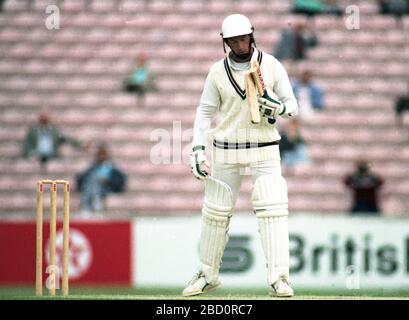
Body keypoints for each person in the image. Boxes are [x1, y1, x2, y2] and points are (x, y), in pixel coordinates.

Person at [184, 14, 298, 298]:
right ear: (225, 42)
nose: (239, 44)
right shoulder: (216, 71)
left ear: (252, 36)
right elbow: (204, 111)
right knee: (215, 212)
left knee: (272, 209)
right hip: (226, 148)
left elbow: (292, 105)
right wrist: (197, 148)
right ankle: (207, 274)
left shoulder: (271, 65)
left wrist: (278, 108)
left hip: (264, 147)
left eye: (243, 38)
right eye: (232, 40)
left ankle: (279, 278)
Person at [22, 113, 86, 172]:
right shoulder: (33, 132)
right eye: (42, 119)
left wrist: (80, 145)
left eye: (46, 119)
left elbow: (66, 139)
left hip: (52, 154)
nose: (44, 121)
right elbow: (27, 143)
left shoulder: (54, 131)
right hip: (37, 154)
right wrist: (28, 154)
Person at [76, 144, 126, 213]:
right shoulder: (92, 169)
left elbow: (119, 184)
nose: (101, 157)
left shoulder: (112, 170)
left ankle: (92, 202)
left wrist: (107, 180)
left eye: (103, 154)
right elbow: (80, 181)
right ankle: (92, 201)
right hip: (92, 191)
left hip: (106, 190)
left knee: (95, 180)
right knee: (93, 179)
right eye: (100, 155)